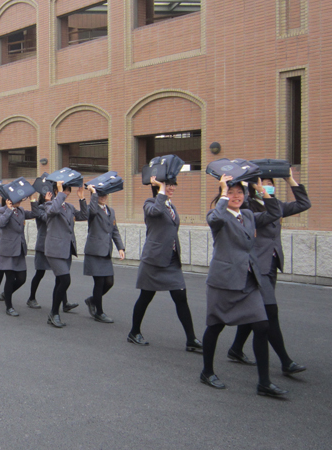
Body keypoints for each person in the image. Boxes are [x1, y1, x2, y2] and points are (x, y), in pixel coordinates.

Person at [200, 175, 286, 397]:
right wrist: (221, 191)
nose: (235, 196)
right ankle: (207, 372)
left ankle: (264, 383)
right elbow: (215, 219)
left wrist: (263, 192)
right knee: (216, 326)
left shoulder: (247, 214)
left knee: (261, 325)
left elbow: (275, 214)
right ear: (223, 195)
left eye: (239, 192)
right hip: (224, 282)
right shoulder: (217, 215)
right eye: (231, 192)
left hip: (249, 279)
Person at [227, 169, 310, 375]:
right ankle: (285, 361)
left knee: (256, 309)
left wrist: (289, 178)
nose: (266, 186)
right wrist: (255, 191)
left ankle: (236, 349)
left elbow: (304, 204)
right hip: (256, 267)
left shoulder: (276, 204)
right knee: (269, 312)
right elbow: (267, 215)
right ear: (254, 187)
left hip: (272, 264)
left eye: (269, 183)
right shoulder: (247, 207)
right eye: (262, 183)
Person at [128, 176, 203, 352]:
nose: (172, 188)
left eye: (173, 184)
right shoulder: (149, 203)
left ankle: (191, 339)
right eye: (168, 184)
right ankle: (134, 331)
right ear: (158, 186)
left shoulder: (171, 206)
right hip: (153, 260)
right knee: (146, 297)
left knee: (180, 297)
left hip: (171, 259)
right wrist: (160, 190)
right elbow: (155, 212)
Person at [43, 184, 88, 328]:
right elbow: (53, 211)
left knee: (60, 281)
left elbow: (84, 215)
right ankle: (53, 313)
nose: (67, 193)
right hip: (54, 250)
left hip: (66, 249)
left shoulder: (68, 207)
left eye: (68, 190)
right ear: (57, 191)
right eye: (65, 190)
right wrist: (60, 192)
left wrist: (82, 198)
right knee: (65, 280)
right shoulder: (49, 204)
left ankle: (54, 312)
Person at [83, 186, 125, 323]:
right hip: (95, 251)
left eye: (105, 195)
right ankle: (99, 313)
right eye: (100, 195)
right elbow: (93, 211)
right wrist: (93, 194)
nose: (103, 197)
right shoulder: (91, 209)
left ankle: (92, 300)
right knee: (99, 282)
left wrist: (120, 247)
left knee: (109, 282)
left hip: (106, 251)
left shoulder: (110, 211)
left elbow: (114, 230)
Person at [0, 190, 38, 317]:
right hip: (8, 250)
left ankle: (6, 293)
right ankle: (9, 306)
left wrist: (32, 200)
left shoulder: (21, 211)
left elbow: (36, 213)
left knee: (21, 279)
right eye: (16, 199)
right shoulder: (1, 210)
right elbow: (0, 223)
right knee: (9, 278)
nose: (19, 201)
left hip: (19, 249)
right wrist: (9, 209)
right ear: (8, 200)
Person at [26, 190, 52, 308]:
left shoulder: (55, 207)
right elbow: (47, 218)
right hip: (43, 245)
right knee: (40, 273)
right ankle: (31, 298)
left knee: (61, 275)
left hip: (54, 246)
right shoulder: (40, 208)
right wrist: (48, 203)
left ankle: (65, 302)